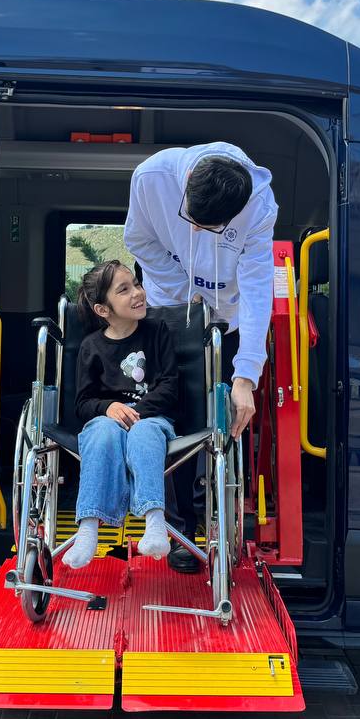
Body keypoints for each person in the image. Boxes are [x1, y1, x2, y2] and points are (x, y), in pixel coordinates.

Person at [124, 142, 277, 572]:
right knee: (165, 417)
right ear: (188, 182)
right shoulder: (151, 177)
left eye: (208, 228)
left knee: (208, 421)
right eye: (191, 219)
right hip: (167, 311)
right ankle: (177, 532)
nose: (194, 231)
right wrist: (181, 288)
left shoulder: (259, 206)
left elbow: (257, 287)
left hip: (224, 320)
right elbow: (138, 239)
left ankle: (209, 519)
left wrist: (246, 376)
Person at [63, 260, 178, 570]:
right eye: (124, 290)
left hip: (151, 418)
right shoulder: (91, 347)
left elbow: (169, 386)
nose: (137, 293)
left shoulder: (157, 332)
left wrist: (135, 413)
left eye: (136, 285)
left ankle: (155, 524)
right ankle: (88, 531)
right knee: (102, 431)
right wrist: (109, 408)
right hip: (107, 422)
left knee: (143, 431)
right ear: (103, 309)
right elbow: (83, 403)